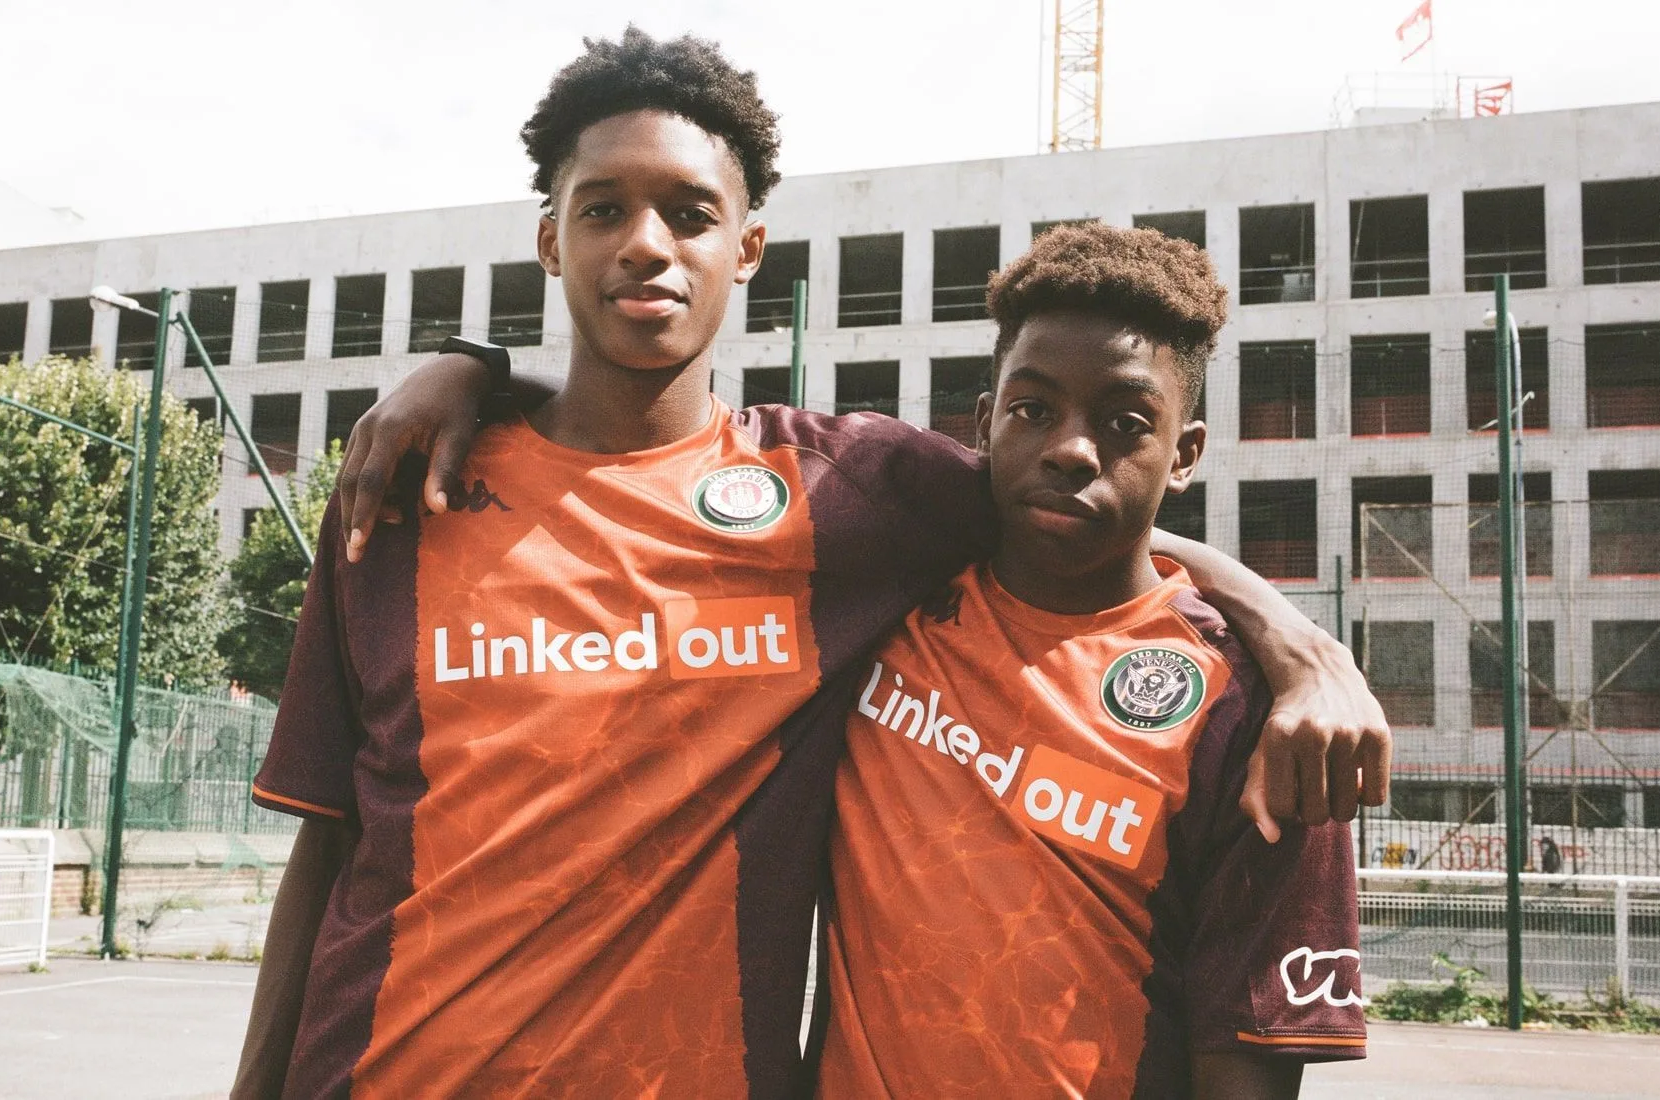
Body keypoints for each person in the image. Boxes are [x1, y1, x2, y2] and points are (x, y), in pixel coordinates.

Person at [239, 28, 1388, 1099]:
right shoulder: (407, 492)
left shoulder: (840, 498)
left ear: (746, 248)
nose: (647, 242)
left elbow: (1081, 505)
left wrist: (1300, 645)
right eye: (603, 209)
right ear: (552, 238)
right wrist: (471, 367)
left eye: (689, 212)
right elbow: (326, 844)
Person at [813, 223, 1365, 1099]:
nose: (1071, 448)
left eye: (1123, 422)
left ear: (1184, 453)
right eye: (1033, 410)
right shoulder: (886, 594)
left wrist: (1300, 649)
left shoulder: (1253, 711)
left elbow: (1246, 1067)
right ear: (988, 423)